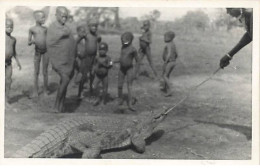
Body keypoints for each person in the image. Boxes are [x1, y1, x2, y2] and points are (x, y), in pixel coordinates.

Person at [46, 6, 76, 112]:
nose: (65, 17)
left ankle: (61, 105)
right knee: (65, 79)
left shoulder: (67, 28)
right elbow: (50, 42)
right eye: (62, 15)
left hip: (68, 60)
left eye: (66, 15)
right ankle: (55, 106)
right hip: (58, 60)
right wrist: (61, 34)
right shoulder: (52, 27)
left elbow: (71, 41)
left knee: (65, 81)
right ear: (56, 15)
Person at [76, 19, 102, 99]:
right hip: (86, 58)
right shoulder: (86, 35)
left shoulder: (97, 36)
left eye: (96, 26)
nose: (94, 28)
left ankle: (91, 91)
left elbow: (99, 45)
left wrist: (98, 54)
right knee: (84, 76)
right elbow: (76, 42)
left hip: (94, 58)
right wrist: (78, 52)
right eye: (92, 26)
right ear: (89, 27)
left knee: (92, 75)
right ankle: (79, 93)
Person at [28, 10, 49, 98]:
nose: (44, 19)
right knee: (36, 72)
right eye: (42, 17)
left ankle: (45, 91)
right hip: (37, 52)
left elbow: (48, 39)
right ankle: (35, 91)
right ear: (36, 18)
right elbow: (28, 42)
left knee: (45, 71)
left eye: (44, 17)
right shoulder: (32, 29)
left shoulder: (46, 29)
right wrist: (33, 41)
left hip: (46, 51)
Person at [118, 32, 140, 111]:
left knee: (129, 86)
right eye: (122, 40)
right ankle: (120, 100)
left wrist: (136, 72)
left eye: (124, 40)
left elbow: (138, 61)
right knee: (119, 85)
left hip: (129, 69)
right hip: (121, 69)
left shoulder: (133, 49)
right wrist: (113, 61)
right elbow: (121, 58)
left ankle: (130, 103)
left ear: (130, 40)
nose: (123, 42)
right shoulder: (123, 47)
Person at [5, 18, 22, 104]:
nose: (9, 28)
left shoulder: (13, 39)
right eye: (7, 26)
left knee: (8, 80)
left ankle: (6, 99)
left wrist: (18, 62)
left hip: (9, 64)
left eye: (11, 26)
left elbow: (14, 52)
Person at [160, 31, 178, 97]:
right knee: (167, 75)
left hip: (169, 62)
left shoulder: (168, 44)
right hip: (173, 62)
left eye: (165, 37)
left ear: (170, 38)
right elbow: (176, 54)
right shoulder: (173, 44)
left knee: (164, 76)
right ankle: (165, 87)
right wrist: (174, 59)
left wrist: (165, 62)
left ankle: (170, 90)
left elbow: (169, 54)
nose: (164, 38)